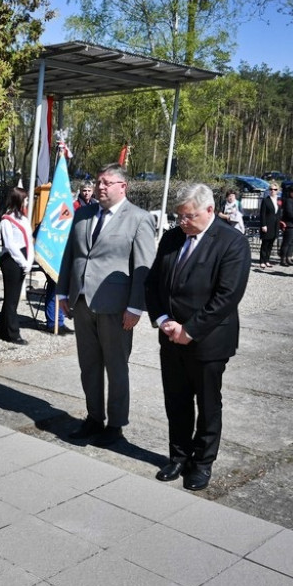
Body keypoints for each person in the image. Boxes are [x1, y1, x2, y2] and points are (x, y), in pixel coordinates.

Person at [146, 183, 251, 491]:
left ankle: (202, 462)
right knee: (176, 401)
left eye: (188, 216)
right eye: (178, 216)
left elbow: (227, 296)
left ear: (209, 210)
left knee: (207, 405)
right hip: (170, 337)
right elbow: (153, 284)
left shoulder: (232, 243)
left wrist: (189, 330)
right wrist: (164, 320)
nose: (182, 222)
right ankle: (178, 456)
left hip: (208, 341)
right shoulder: (172, 237)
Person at [58, 163, 156, 447]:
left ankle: (115, 424)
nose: (100, 187)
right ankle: (93, 417)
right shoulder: (83, 213)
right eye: (99, 182)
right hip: (82, 302)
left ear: (122, 186)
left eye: (106, 182)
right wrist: (63, 292)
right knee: (88, 365)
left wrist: (136, 307)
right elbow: (70, 254)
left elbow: (143, 267)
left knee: (116, 367)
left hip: (116, 308)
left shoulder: (138, 219)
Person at [0, 187, 33, 344]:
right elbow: (10, 245)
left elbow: (29, 241)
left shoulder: (24, 219)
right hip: (11, 261)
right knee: (11, 299)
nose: (27, 202)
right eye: (25, 199)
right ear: (18, 200)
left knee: (13, 298)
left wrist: (29, 261)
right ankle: (13, 334)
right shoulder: (6, 220)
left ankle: (3, 330)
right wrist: (23, 261)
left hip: (23, 259)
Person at [278, 183, 293, 266]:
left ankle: (289, 258)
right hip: (289, 224)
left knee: (292, 242)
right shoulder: (289, 201)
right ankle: (283, 259)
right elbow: (289, 213)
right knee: (287, 242)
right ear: (291, 193)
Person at [258, 182, 280, 268]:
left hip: (275, 225)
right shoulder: (266, 200)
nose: (273, 191)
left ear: (277, 190)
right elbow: (262, 214)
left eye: (275, 189)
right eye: (271, 189)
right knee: (265, 244)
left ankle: (267, 260)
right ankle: (262, 261)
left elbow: (279, 213)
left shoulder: (279, 200)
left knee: (271, 244)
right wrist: (263, 225)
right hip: (267, 224)